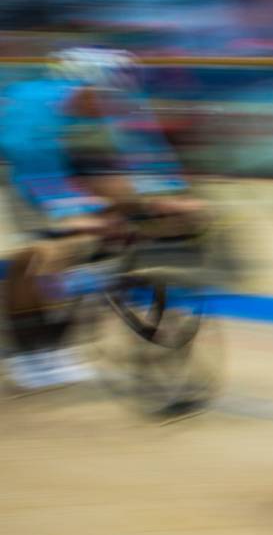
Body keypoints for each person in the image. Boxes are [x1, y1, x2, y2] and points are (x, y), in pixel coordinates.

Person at [1, 47, 202, 390]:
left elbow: (145, 148)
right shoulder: (36, 107)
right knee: (43, 252)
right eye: (103, 97)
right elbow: (33, 169)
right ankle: (29, 352)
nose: (113, 104)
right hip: (18, 162)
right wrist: (70, 215)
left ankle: (96, 275)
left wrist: (170, 194)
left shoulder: (111, 99)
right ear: (78, 88)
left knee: (123, 203)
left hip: (55, 159)